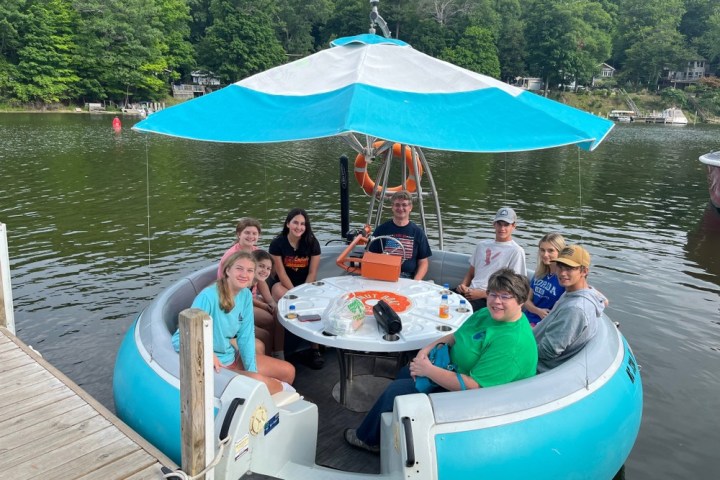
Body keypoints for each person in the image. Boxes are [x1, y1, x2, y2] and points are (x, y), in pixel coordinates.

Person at [344, 268, 537, 453]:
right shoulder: (488, 313)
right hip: (450, 368)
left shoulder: (512, 343)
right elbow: (456, 336)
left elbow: (475, 388)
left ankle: (367, 440)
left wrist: (428, 370)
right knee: (405, 371)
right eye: (493, 294)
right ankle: (391, 422)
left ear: (520, 301)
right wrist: (426, 350)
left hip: (476, 400)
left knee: (396, 390)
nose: (496, 301)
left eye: (505, 296)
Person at [171, 251, 295, 394]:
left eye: (250, 270)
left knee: (288, 372)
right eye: (239, 268)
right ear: (227, 270)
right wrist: (206, 354)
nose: (244, 274)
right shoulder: (208, 296)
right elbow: (178, 338)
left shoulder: (246, 295)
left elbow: (246, 335)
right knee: (267, 386)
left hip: (232, 358)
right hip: (216, 366)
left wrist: (251, 372)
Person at [533, 245, 605, 373]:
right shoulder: (578, 292)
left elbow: (547, 352)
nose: (562, 273)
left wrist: (519, 347)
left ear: (584, 271)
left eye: (569, 268)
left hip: (536, 367)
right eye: (560, 266)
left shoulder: (575, 309)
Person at [269, 208, 324, 368]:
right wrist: (295, 292)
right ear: (288, 224)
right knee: (284, 300)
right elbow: (280, 273)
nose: (299, 227)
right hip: (284, 284)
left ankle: (315, 348)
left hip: (306, 283)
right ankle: (279, 352)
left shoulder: (312, 243)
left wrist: (305, 292)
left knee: (313, 303)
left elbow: (313, 272)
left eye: (302, 224)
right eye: (295, 223)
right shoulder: (278, 244)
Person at [456, 207, 527, 310]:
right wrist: (462, 286)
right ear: (494, 224)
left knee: (457, 311)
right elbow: (471, 273)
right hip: (469, 292)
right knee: (439, 298)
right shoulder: (481, 245)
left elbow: (514, 287)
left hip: (490, 299)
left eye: (506, 224)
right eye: (499, 224)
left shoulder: (516, 251)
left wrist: (482, 294)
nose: (502, 228)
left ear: (513, 226)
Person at [368, 190, 432, 280]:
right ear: (392, 207)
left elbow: (423, 262)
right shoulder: (381, 230)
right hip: (383, 275)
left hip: (407, 278)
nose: (400, 208)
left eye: (404, 205)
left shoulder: (418, 232)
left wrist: (416, 281)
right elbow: (370, 255)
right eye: (397, 205)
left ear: (410, 207)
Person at [524, 233, 566, 326]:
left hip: (542, 325)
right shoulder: (539, 273)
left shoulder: (565, 278)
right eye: (542, 250)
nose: (545, 254)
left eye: (550, 251)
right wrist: (538, 311)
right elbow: (526, 300)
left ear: (560, 252)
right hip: (525, 319)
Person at [251, 249, 284, 359]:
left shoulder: (254, 281)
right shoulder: (244, 281)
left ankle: (278, 353)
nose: (265, 270)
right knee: (265, 333)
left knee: (277, 311)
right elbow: (244, 300)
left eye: (268, 268)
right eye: (261, 266)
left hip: (245, 307)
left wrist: (270, 303)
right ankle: (269, 358)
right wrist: (264, 305)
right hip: (236, 316)